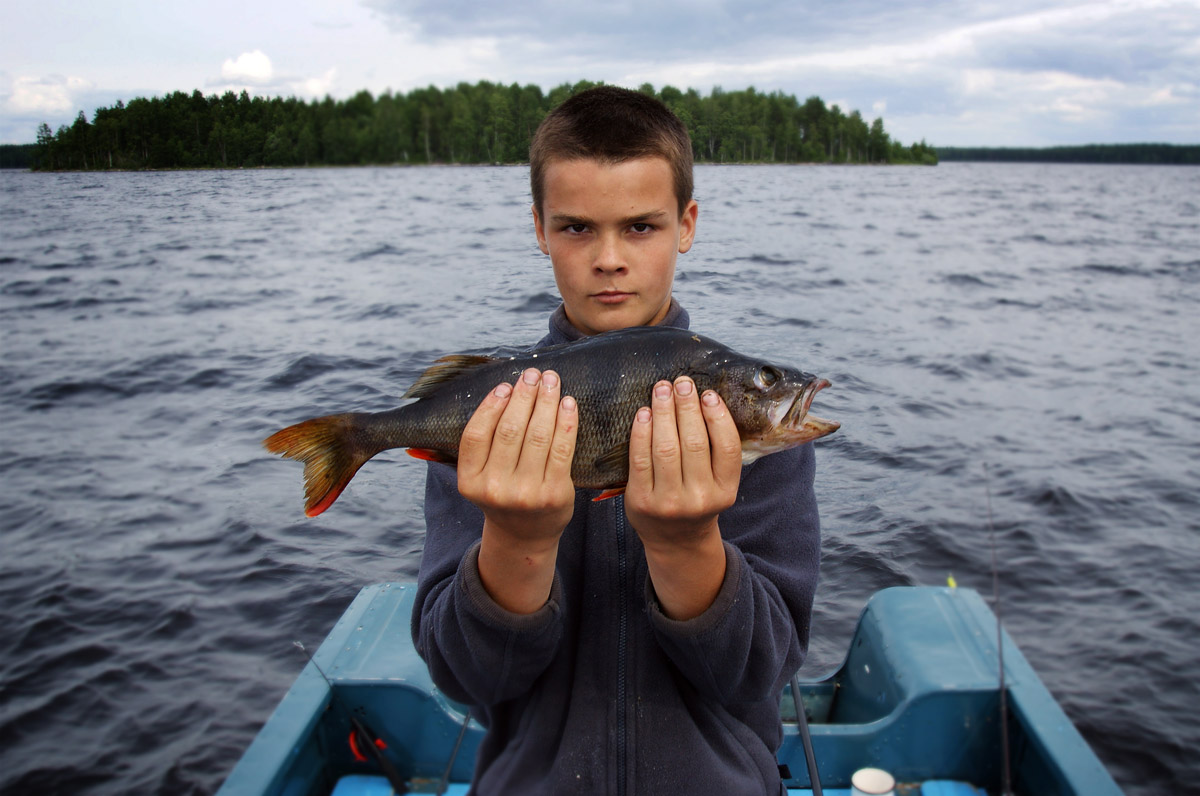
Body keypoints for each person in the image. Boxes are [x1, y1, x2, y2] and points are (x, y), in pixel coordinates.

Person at [412, 85, 821, 796]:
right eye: (575, 228)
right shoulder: (493, 420)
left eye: (640, 226)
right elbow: (468, 680)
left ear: (686, 224)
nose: (609, 258)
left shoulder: (765, 448)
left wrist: (687, 544)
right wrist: (514, 541)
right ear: (538, 228)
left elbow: (760, 673)